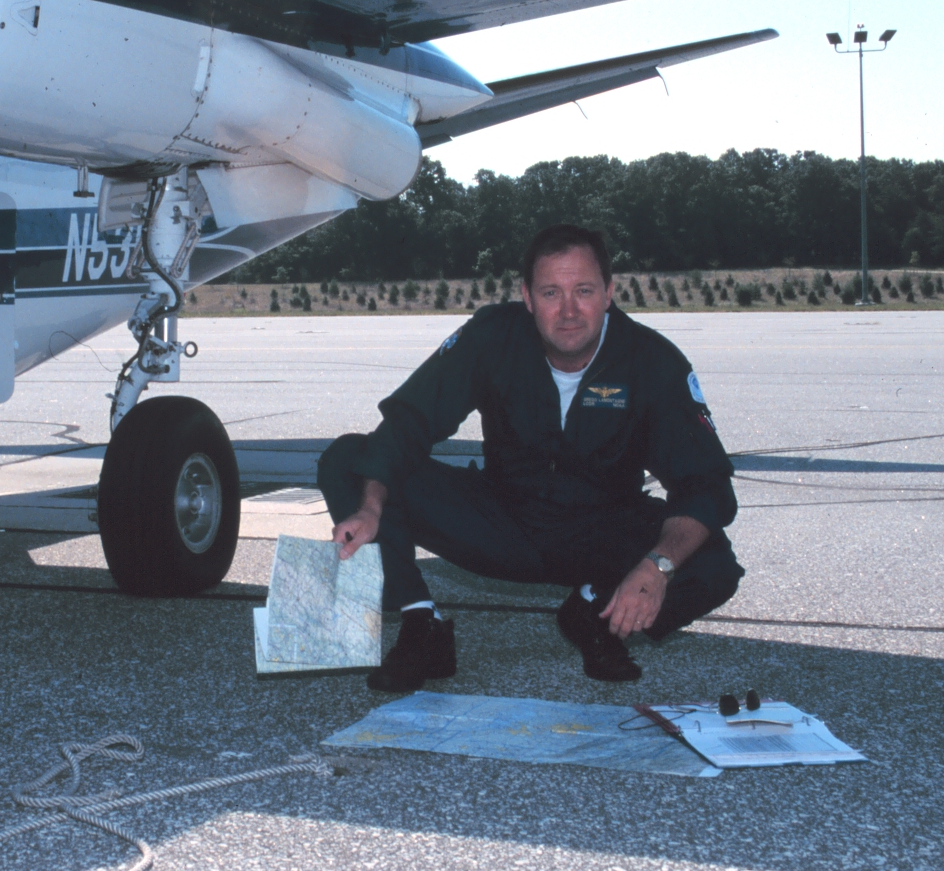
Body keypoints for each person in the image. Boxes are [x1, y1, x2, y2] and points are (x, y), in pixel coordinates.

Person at [317, 224, 743, 692]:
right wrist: (372, 506)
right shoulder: (492, 337)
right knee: (349, 460)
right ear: (526, 296)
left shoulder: (652, 362)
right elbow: (409, 422)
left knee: (713, 564)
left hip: (600, 534)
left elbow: (705, 483)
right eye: (550, 293)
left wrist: (656, 567)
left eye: (583, 291)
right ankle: (422, 626)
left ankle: (592, 613)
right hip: (502, 523)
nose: (568, 311)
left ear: (609, 293)